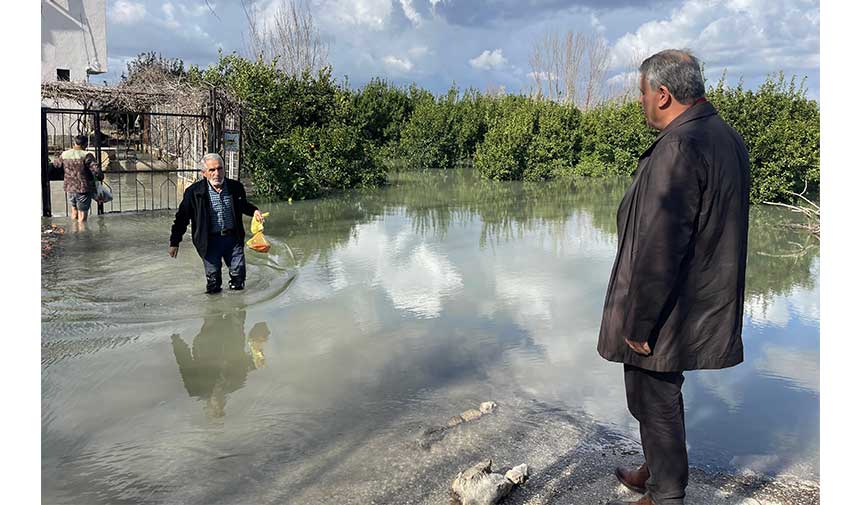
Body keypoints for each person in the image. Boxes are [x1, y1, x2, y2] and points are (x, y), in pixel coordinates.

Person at [598, 49, 750, 505]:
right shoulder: (724, 136)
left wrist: (640, 322)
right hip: (697, 294)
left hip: (669, 302)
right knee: (655, 391)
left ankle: (666, 493)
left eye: (642, 93)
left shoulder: (681, 146)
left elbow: (662, 243)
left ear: (663, 95)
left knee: (652, 393)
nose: (639, 102)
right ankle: (657, 467)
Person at [168, 153, 264, 294]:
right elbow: (182, 218)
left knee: (239, 276)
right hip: (209, 242)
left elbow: (243, 205)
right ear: (204, 173)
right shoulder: (194, 193)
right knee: (213, 281)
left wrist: (255, 211)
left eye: (220, 169)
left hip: (233, 240)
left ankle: (236, 309)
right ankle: (214, 312)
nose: (216, 173)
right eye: (212, 170)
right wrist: (174, 242)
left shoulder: (235, 187)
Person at [52, 134, 104, 224]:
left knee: (74, 211)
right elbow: (96, 170)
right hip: (83, 188)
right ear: (85, 144)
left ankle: (74, 232)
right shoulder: (86, 155)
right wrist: (100, 177)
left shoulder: (65, 154)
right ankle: (82, 235)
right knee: (82, 217)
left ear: (74, 143)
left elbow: (56, 165)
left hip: (70, 187)